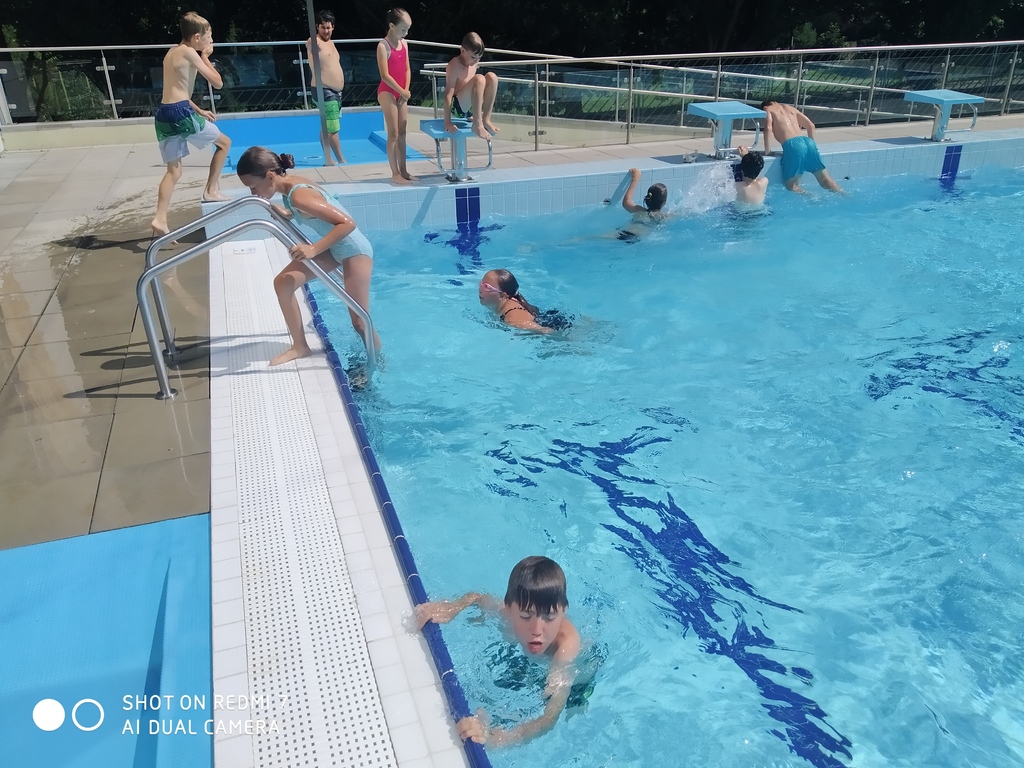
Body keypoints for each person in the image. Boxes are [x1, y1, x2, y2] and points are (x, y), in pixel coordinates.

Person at [416, 556, 583, 747]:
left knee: (574, 713)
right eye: (525, 616)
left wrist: (499, 739)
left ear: (564, 611)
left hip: (577, 681)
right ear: (509, 608)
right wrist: (453, 607)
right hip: (530, 662)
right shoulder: (506, 616)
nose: (537, 630)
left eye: (550, 617)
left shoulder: (566, 647)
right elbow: (477, 597)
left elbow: (549, 719)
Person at [235, 146, 380, 365]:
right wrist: (288, 213)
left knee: (360, 321)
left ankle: (378, 365)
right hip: (335, 248)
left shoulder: (298, 195)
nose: (252, 194)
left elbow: (347, 223)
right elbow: (316, 209)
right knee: (283, 283)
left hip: (354, 251)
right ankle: (300, 347)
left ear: (270, 176)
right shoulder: (291, 189)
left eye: (253, 187)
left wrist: (313, 249)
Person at [151, 11, 232, 237]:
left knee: (174, 171)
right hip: (180, 113)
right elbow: (217, 83)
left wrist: (199, 110)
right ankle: (211, 190)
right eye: (209, 36)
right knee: (225, 143)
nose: (211, 40)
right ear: (197, 37)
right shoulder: (189, 52)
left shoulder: (171, 52)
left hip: (164, 114)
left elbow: (177, 91)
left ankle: (160, 218)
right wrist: (205, 57)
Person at [760, 100, 842, 194]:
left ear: (765, 107)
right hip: (809, 142)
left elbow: (768, 128)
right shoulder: (791, 108)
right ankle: (844, 195)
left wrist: (767, 152)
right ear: (775, 102)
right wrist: (812, 144)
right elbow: (811, 125)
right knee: (826, 181)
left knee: (791, 186)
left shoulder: (768, 110)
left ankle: (812, 198)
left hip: (793, 146)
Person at [376, 8, 415, 185]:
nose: (406, 33)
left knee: (403, 132)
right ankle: (395, 173)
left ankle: (404, 171)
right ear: (392, 26)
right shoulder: (383, 46)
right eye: (403, 29)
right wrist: (402, 91)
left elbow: (407, 69)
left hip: (401, 92)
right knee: (393, 133)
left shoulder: (404, 44)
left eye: (407, 30)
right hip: (387, 91)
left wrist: (405, 91)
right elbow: (385, 76)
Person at [478, 269, 572, 334]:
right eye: (481, 284)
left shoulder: (512, 319)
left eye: (487, 287)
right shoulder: (498, 304)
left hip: (555, 326)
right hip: (546, 317)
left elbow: (546, 331)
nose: (480, 290)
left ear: (503, 295)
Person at [443, 32, 499, 140]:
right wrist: (447, 123)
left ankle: (486, 119)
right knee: (479, 78)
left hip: (470, 109)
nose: (476, 61)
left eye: (479, 58)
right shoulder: (454, 65)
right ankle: (477, 125)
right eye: (473, 57)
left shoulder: (474, 62)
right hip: (457, 108)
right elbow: (447, 95)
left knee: (492, 77)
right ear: (463, 51)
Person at [306, 10, 345, 165]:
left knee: (326, 126)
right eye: (323, 27)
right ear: (317, 27)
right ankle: (342, 160)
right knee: (333, 128)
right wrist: (311, 43)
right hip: (324, 90)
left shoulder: (331, 43)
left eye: (328, 27)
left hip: (334, 91)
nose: (326, 31)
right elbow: (310, 44)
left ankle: (329, 159)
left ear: (333, 27)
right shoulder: (314, 42)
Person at [618, 167, 669, 241]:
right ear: (664, 202)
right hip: (637, 238)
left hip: (624, 232)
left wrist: (635, 179)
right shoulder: (664, 217)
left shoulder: (639, 210)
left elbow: (626, 202)